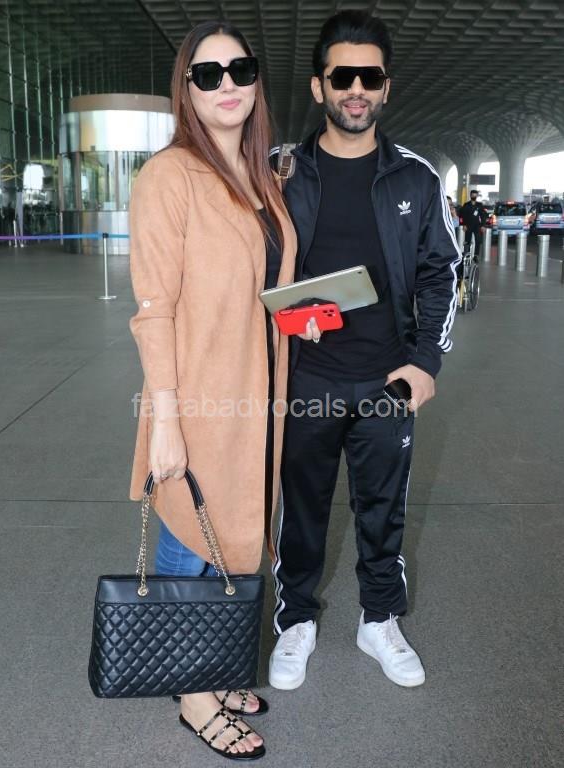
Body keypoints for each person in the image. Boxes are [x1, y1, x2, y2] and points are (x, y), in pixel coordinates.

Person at [268, 10, 460, 691]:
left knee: (383, 509)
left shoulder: (414, 178)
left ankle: (378, 619)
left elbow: (443, 271)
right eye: (342, 76)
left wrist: (424, 362)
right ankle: (295, 619)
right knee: (301, 507)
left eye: (369, 77)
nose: (356, 89)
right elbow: (249, 269)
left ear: (385, 88)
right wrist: (280, 323)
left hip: (386, 380)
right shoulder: (280, 173)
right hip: (305, 378)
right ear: (318, 86)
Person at [128, 21, 297, 760]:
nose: (226, 84)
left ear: (256, 81)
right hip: (198, 399)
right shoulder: (169, 176)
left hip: (259, 399)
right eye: (207, 74)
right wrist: (165, 421)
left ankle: (215, 669)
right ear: (187, 91)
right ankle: (192, 696)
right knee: (187, 542)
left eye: (239, 69)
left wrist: (305, 313)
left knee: (232, 537)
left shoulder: (260, 180)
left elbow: (260, 290)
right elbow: (154, 308)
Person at [459, 189, 487, 258]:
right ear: (470, 195)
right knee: (467, 241)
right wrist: (464, 224)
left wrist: (483, 225)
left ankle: (476, 255)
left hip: (477, 225)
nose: (474, 196)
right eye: (473, 195)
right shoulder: (466, 205)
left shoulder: (479, 205)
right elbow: (462, 215)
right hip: (468, 225)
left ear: (477, 196)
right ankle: (467, 254)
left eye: (475, 195)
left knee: (478, 240)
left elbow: (483, 216)